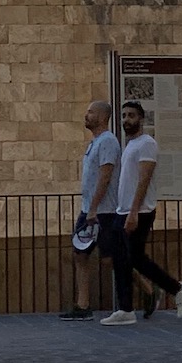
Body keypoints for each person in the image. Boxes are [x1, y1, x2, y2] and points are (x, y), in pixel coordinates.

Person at [99, 98, 182, 325]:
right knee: (121, 260)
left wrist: (133, 212)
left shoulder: (147, 144)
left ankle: (178, 288)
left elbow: (144, 179)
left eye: (131, 115)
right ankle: (126, 309)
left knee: (136, 258)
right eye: (124, 116)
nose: (126, 120)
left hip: (139, 211)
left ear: (141, 119)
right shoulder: (130, 145)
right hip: (123, 211)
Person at [64, 97, 119, 317]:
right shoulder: (94, 142)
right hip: (89, 209)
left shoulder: (108, 142)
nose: (86, 116)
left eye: (91, 112)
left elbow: (105, 176)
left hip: (103, 211)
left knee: (109, 259)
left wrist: (94, 208)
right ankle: (83, 305)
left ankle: (147, 288)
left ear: (103, 117)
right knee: (80, 253)